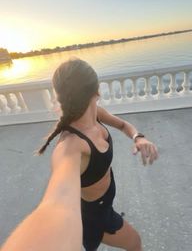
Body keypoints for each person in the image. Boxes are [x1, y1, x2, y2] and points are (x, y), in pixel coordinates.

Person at [1, 57, 158, 251]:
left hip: (104, 207)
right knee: (135, 242)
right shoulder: (71, 146)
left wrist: (138, 137)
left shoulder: (95, 113)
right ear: (97, 91)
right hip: (94, 217)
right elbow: (57, 205)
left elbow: (124, 125)